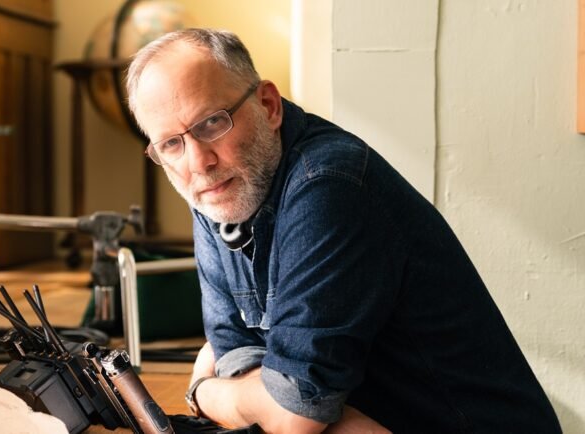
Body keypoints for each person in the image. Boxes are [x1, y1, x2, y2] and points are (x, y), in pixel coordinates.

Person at [126, 28, 561, 433]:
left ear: (269, 106)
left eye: (212, 123)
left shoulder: (328, 184)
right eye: (171, 144)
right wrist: (259, 395)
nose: (197, 161)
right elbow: (233, 354)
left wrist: (204, 392)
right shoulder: (219, 189)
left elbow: (297, 416)